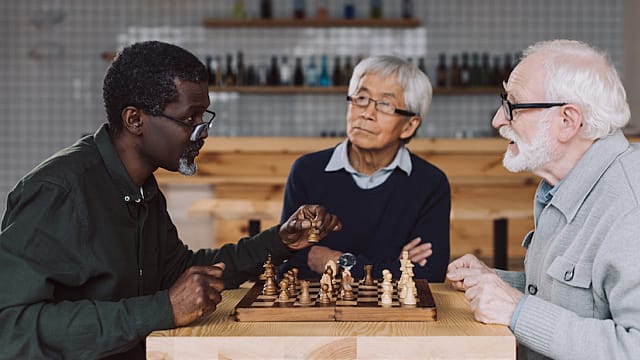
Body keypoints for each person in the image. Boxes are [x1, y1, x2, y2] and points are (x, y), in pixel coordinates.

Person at [0, 41, 342, 360]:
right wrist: (164, 309)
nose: (202, 131)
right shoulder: (59, 191)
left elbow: (178, 273)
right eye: (189, 118)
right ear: (135, 120)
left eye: (204, 117)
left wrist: (281, 240)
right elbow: (11, 328)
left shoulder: (142, 188)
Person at [446, 39, 640, 359]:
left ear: (567, 121)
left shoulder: (631, 208)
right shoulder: (564, 184)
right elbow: (583, 301)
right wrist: (496, 283)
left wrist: (517, 310)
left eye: (513, 107)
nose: (497, 120)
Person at [278, 55, 450, 281]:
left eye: (385, 104)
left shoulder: (430, 183)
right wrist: (393, 267)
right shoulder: (307, 172)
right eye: (361, 98)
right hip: (319, 311)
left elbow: (429, 274)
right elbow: (289, 264)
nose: (367, 113)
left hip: (399, 315)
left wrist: (338, 262)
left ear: (409, 125)